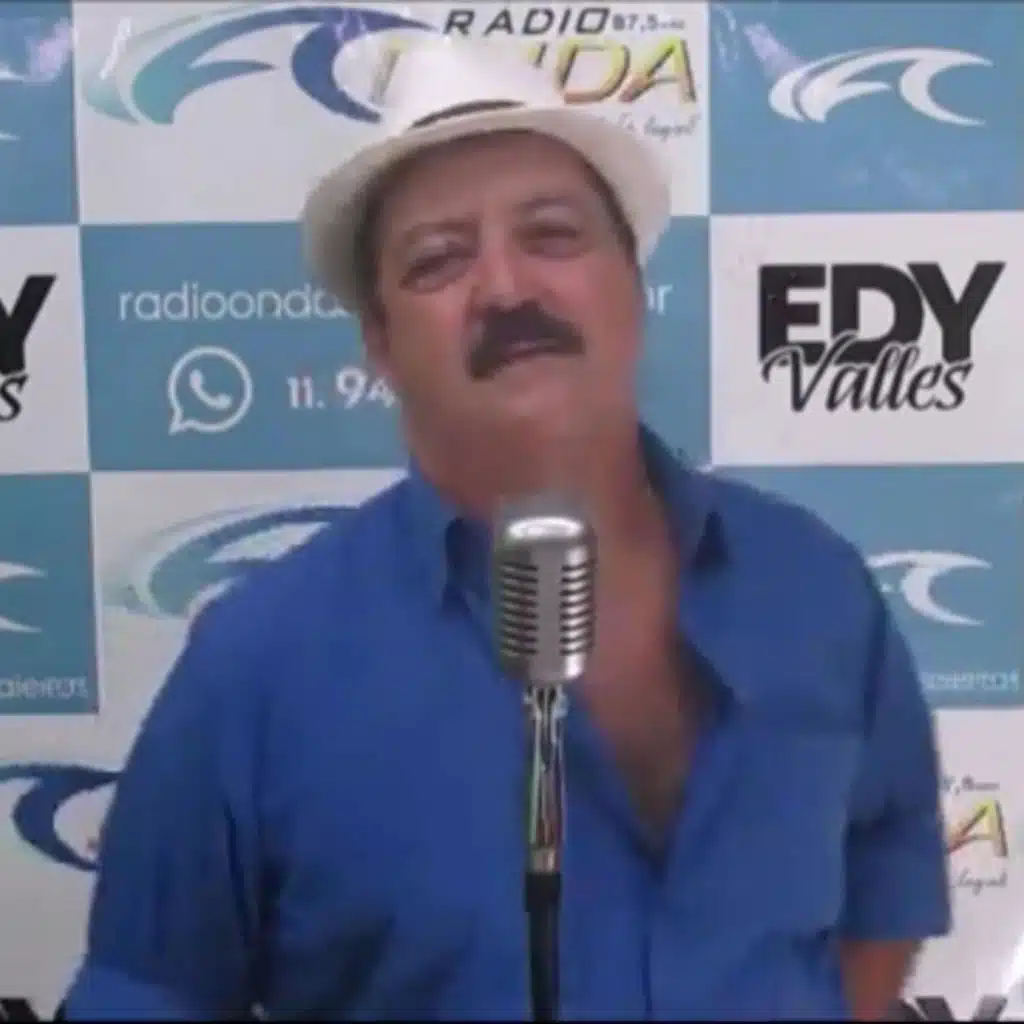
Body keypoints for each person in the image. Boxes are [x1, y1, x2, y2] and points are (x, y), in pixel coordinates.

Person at [61, 36, 950, 1021]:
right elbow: (144, 994)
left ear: (632, 282)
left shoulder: (813, 584)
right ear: (380, 344)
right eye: (438, 260)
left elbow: (888, 863)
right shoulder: (258, 663)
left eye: (553, 235)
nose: (506, 288)